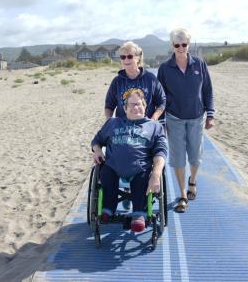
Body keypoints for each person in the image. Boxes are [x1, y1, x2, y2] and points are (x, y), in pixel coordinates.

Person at [91, 89, 167, 232]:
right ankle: (108, 209)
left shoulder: (154, 127)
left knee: (143, 176)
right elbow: (97, 140)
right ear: (124, 109)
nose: (135, 107)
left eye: (138, 104)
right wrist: (97, 150)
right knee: (105, 172)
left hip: (140, 168)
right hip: (113, 166)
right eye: (131, 105)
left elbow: (161, 152)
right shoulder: (113, 123)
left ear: (145, 106)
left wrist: (156, 174)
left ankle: (139, 214)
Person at [157, 28, 215, 213]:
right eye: (177, 44)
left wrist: (211, 114)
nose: (181, 47)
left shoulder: (199, 64)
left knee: (195, 156)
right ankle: (182, 193)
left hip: (197, 117)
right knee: (178, 157)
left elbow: (207, 90)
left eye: (184, 44)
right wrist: (162, 122)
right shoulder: (165, 68)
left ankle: (193, 181)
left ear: (189, 45)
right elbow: (160, 97)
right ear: (172, 45)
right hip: (174, 118)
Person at [105, 41, 166, 121]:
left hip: (146, 127)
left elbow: (162, 102)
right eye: (123, 57)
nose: (126, 59)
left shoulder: (150, 78)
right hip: (123, 128)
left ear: (138, 58)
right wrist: (109, 122)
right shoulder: (117, 81)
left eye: (130, 56)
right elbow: (109, 105)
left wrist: (154, 119)